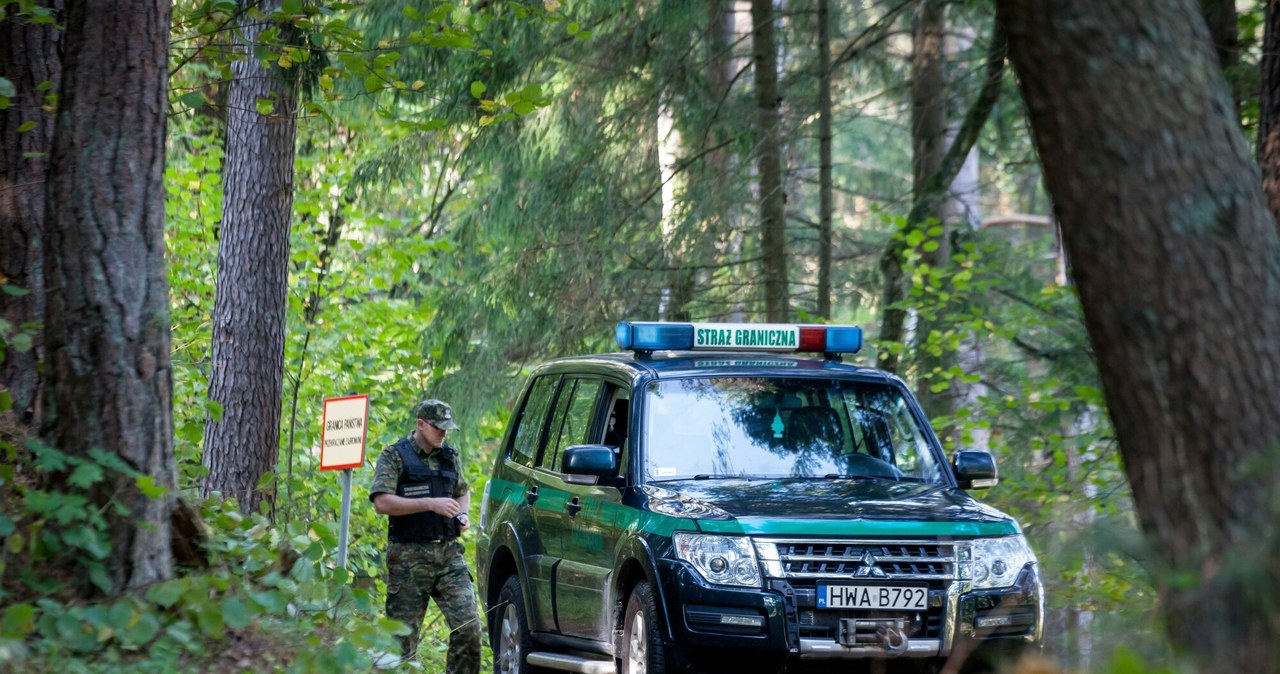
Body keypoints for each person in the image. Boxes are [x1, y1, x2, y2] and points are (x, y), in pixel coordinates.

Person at [369, 399, 481, 673]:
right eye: (438, 428)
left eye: (447, 428)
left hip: (448, 555)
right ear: (421, 424)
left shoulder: (449, 456)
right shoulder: (395, 455)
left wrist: (461, 515)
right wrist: (430, 503)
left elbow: (461, 491)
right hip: (408, 556)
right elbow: (382, 503)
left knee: (469, 628)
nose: (443, 433)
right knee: (401, 644)